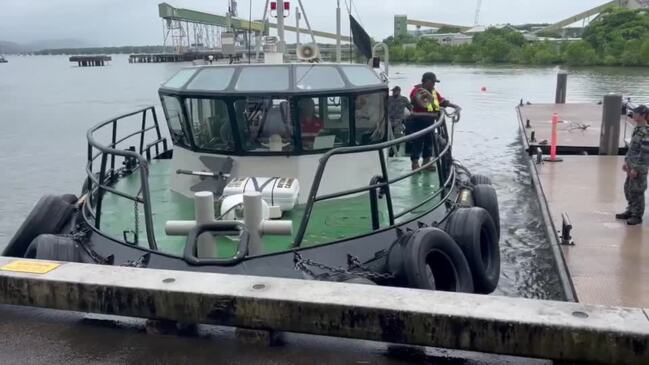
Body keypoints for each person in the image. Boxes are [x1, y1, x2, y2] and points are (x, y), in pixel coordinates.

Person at [406, 72, 461, 171]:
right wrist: (431, 104)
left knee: (429, 142)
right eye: (433, 82)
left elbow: (442, 102)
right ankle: (415, 164)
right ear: (427, 81)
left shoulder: (433, 92)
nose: (434, 85)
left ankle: (426, 163)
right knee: (418, 142)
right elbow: (420, 102)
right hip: (418, 121)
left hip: (429, 122)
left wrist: (455, 106)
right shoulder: (417, 91)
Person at [616, 104, 649, 225]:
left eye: (636, 113)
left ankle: (637, 215)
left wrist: (636, 168)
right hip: (631, 164)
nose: (633, 115)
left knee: (637, 191)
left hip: (639, 167)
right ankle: (630, 210)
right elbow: (632, 149)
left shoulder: (646, 132)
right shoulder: (637, 129)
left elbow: (644, 153)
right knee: (628, 188)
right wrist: (626, 161)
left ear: (643, 115)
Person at [388, 86, 412, 156]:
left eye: (395, 91)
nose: (393, 93)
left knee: (397, 137)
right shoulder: (388, 98)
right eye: (393, 91)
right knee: (388, 138)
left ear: (399, 91)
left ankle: (393, 152)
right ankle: (389, 151)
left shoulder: (404, 99)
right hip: (389, 121)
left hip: (398, 122)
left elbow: (410, 108)